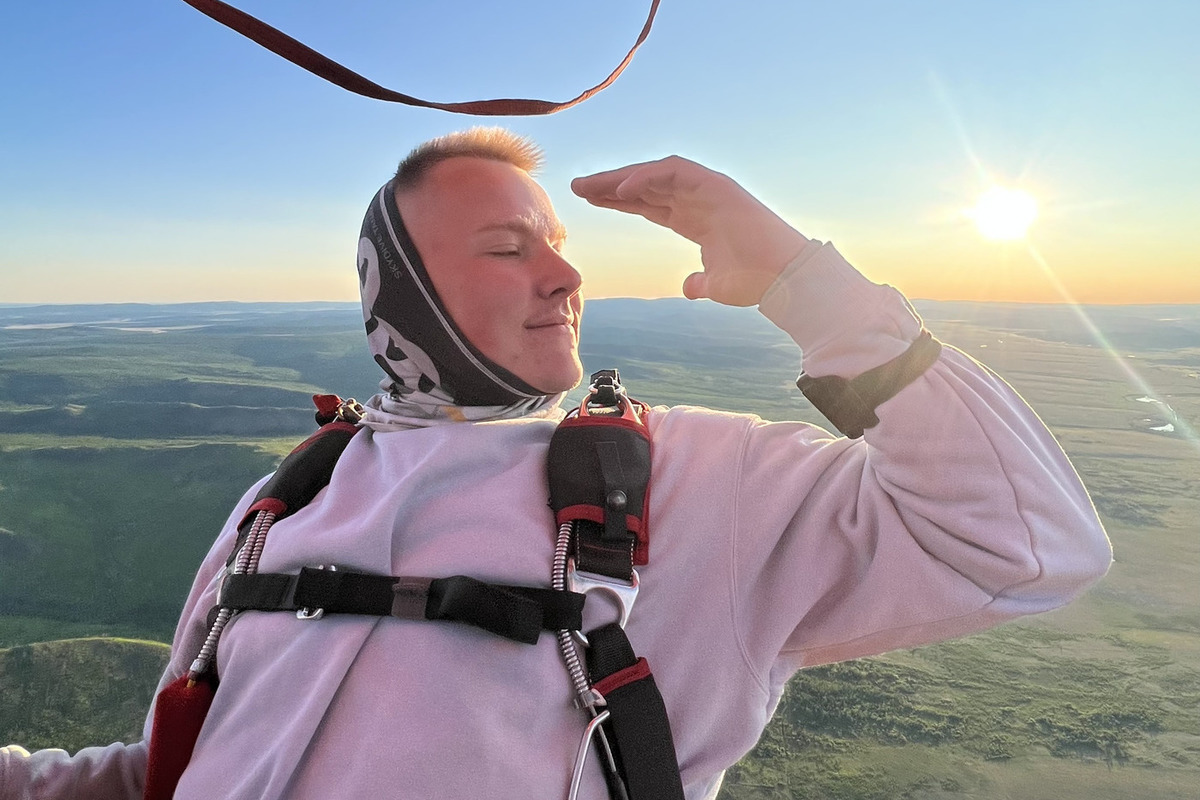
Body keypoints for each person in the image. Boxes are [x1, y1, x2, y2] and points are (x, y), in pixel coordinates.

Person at [0, 127, 1111, 800]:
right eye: (506, 245)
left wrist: (800, 278)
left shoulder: (694, 475)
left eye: (560, 243)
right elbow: (161, 772)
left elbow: (1027, 544)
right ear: (399, 296)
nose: (564, 276)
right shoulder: (289, 496)